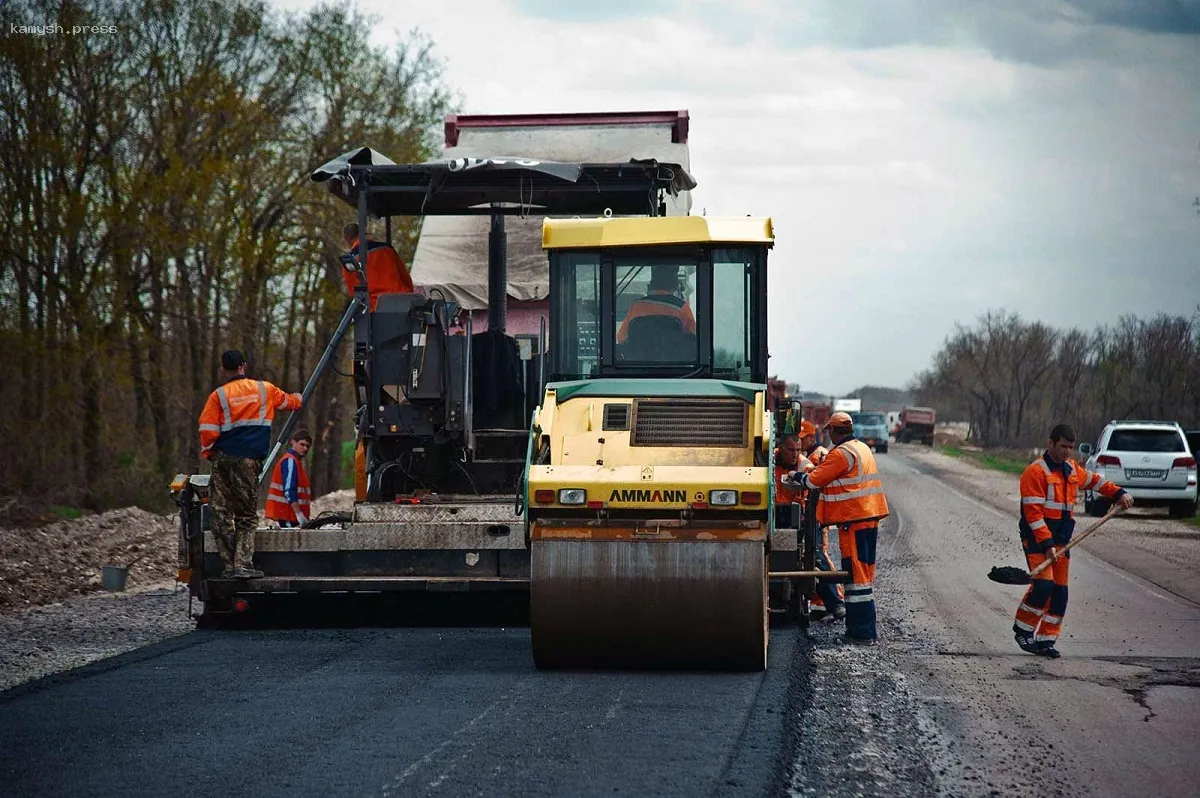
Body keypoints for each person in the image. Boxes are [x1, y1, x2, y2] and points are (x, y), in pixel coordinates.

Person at [1012, 424, 1133, 658]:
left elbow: (1097, 482)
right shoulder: (1035, 473)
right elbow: (1033, 514)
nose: (1067, 452)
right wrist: (1047, 546)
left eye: (1070, 447)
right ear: (1050, 444)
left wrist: (1119, 493)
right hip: (1038, 540)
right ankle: (1023, 630)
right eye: (1062, 447)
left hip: (1062, 541)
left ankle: (1046, 640)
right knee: (1043, 585)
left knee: (1060, 592)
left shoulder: (1071, 469)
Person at [198, 350, 303, 578]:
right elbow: (291, 402)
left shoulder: (218, 396)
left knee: (221, 513)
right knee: (246, 515)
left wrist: (210, 454)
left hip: (223, 458)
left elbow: (207, 431)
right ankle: (242, 565)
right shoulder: (265, 389)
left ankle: (228, 566)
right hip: (248, 459)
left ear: (224, 370)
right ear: (243, 366)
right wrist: (298, 398)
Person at [785, 411, 888, 642]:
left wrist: (796, 476)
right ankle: (861, 630)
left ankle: (861, 633)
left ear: (832, 430)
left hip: (854, 520)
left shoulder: (841, 453)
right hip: (867, 516)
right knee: (862, 575)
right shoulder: (861, 448)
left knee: (856, 578)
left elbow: (814, 480)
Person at [616, 264, 697, 344]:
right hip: (674, 356)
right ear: (675, 285)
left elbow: (621, 338)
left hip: (639, 357)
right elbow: (695, 341)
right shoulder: (682, 308)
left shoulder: (636, 307)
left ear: (650, 285)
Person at [342, 222, 414, 311]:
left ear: (347, 239)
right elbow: (405, 277)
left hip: (376, 309)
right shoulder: (387, 249)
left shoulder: (350, 261)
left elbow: (355, 293)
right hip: (402, 302)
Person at [265, 430, 313, 528]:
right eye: (302, 444)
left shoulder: (293, 461)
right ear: (293, 443)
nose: (305, 448)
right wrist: (299, 514)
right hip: (288, 514)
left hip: (289, 514)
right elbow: (289, 490)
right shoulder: (290, 461)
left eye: (307, 446)